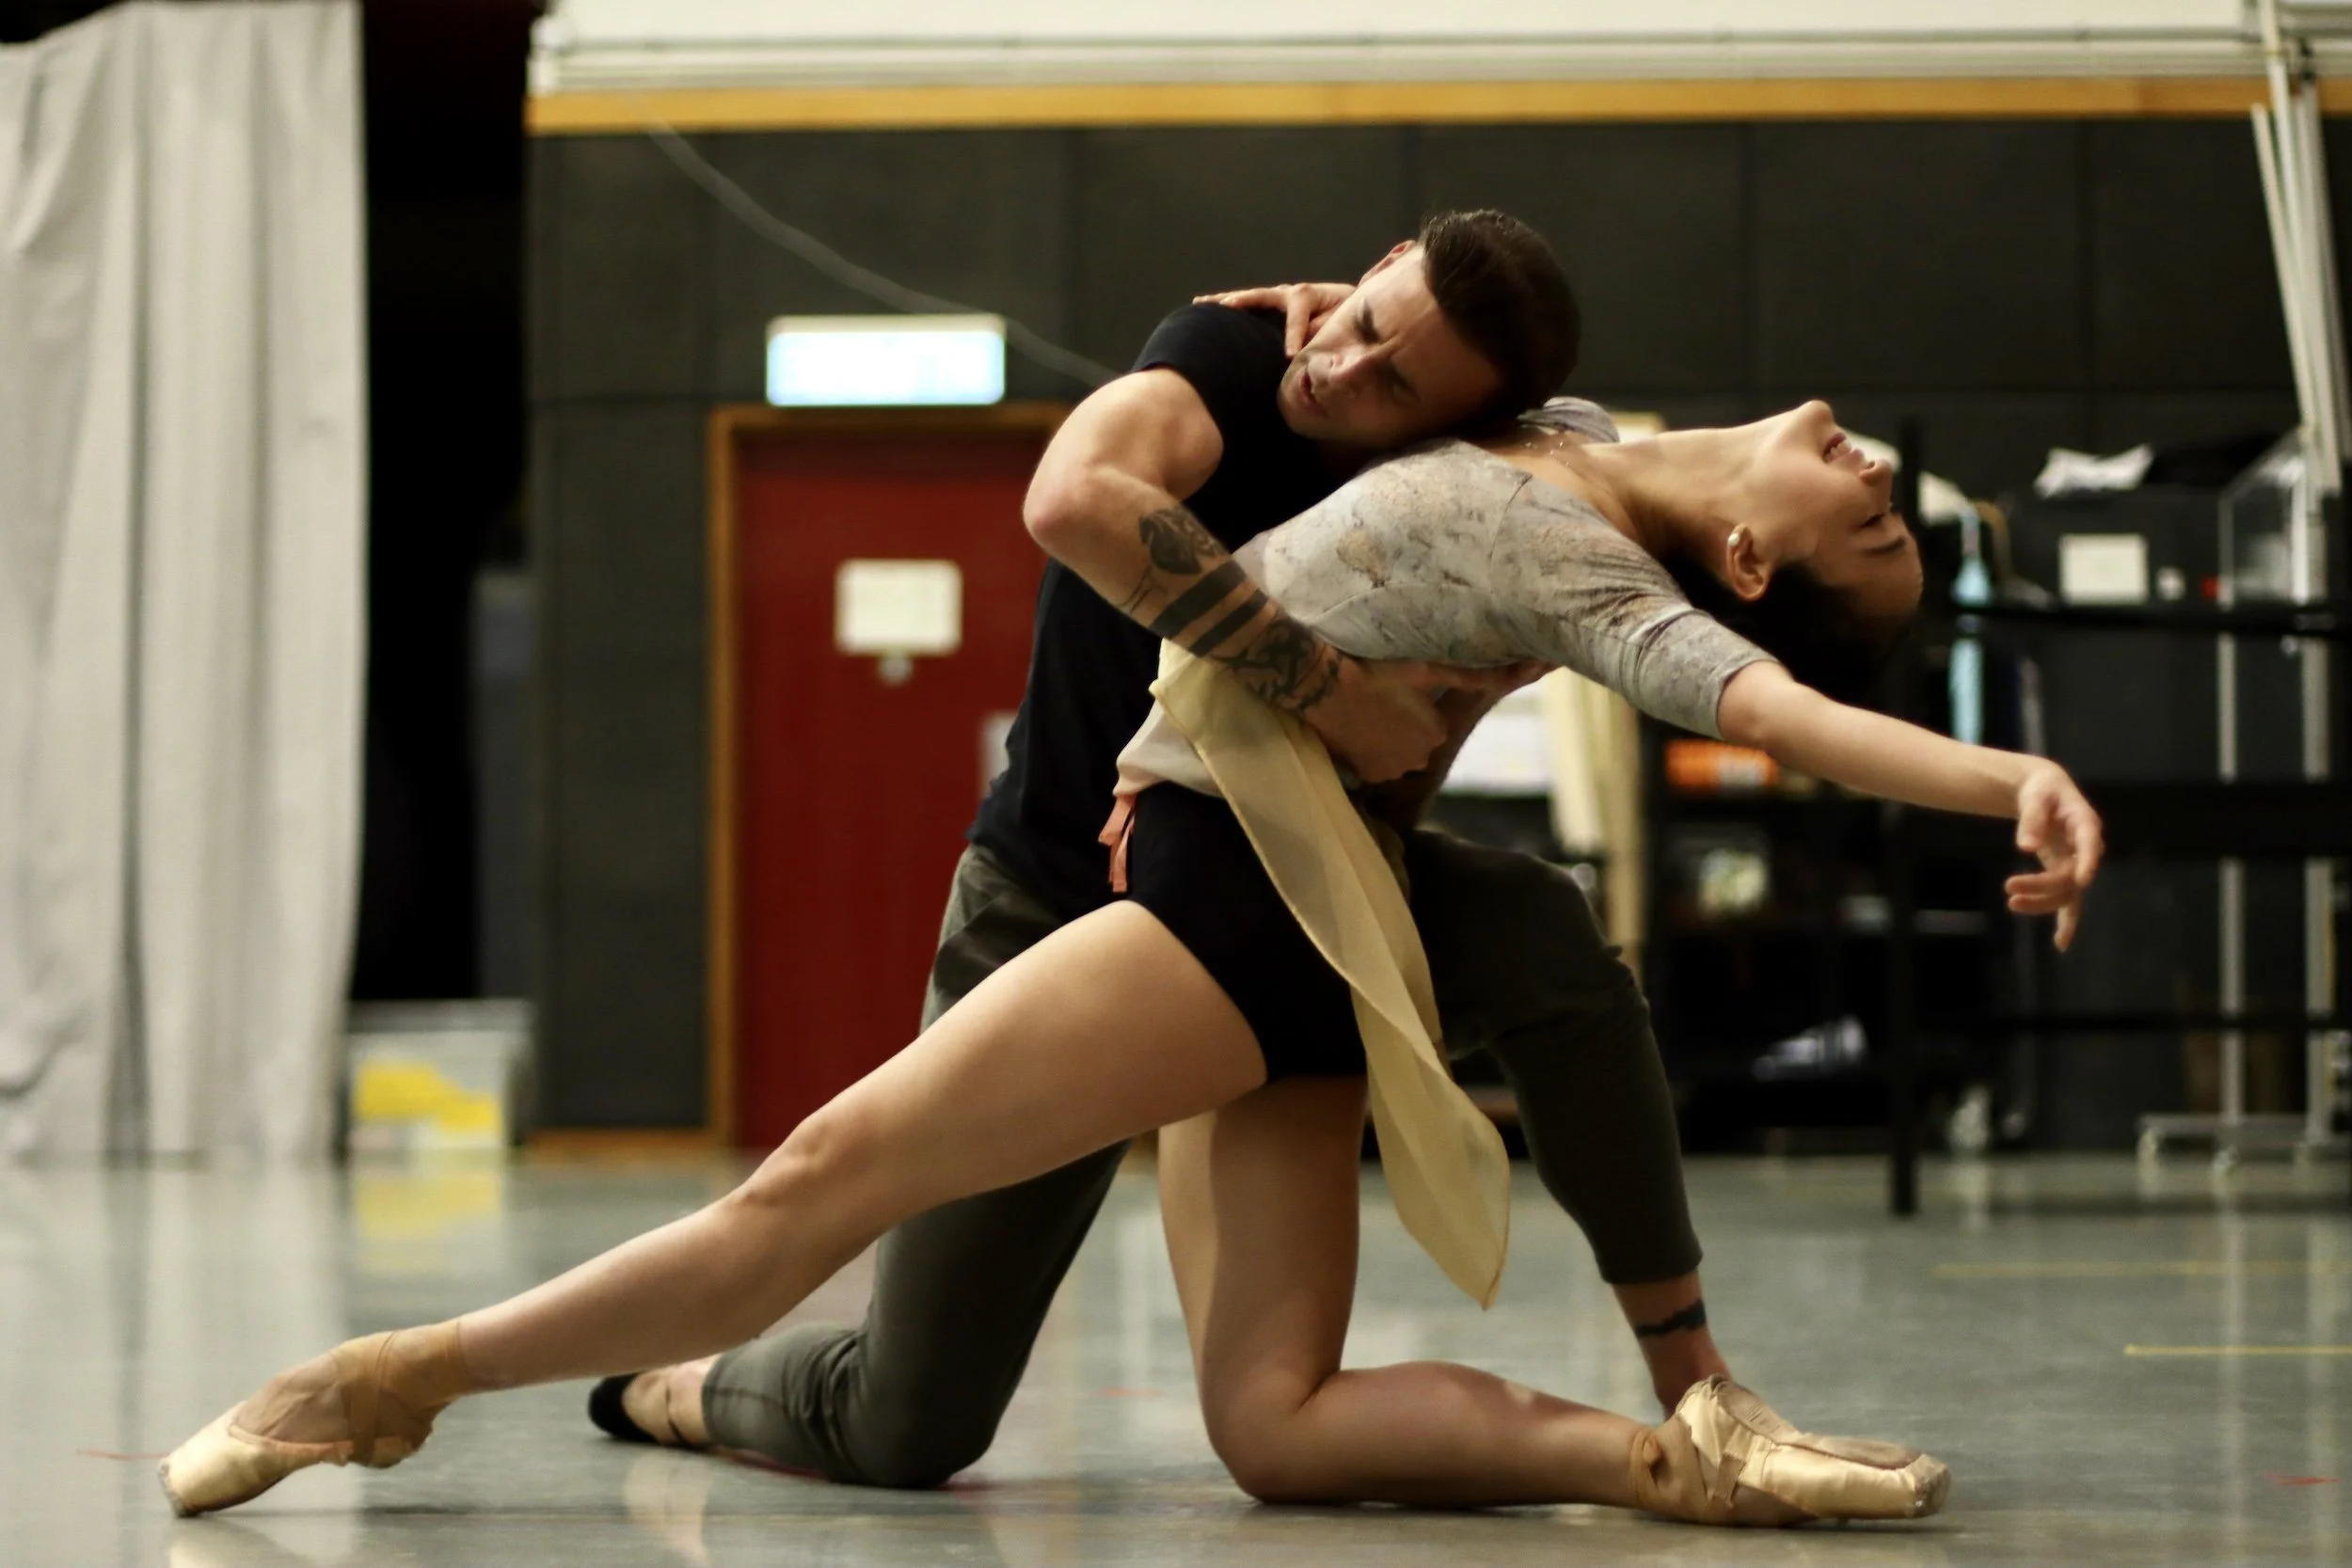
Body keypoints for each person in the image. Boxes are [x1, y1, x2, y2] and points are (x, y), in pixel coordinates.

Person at [159, 382, 2100, 1526]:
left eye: (1876, 535)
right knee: (1276, 1417)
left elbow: (1773, 715)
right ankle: (1656, 1454)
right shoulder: (1568, 422)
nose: (1878, 483)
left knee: (814, 1183)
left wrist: (2002, 767)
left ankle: (395, 1375)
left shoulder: (1587, 562)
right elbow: (1329, 365)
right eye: (1888, 512)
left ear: (1753, 572)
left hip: (1235, 908)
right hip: (1301, 910)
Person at [596, 211, 1744, 1485]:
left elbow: (1627, 460)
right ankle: (684, 1390)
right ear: (1366, 273)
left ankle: (1699, 1400)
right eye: (1365, 320)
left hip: (1279, 918)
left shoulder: (1482, 493)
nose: (1344, 369)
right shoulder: (1226, 358)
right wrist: (1323, 684)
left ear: (1453, 428)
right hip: (1057, 908)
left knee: (1540, 937)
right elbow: (1076, 496)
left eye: (1398, 382)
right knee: (906, 1419)